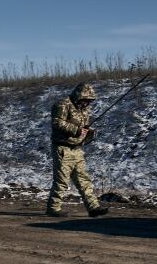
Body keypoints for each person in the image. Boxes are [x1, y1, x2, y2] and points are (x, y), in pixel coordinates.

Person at [46, 82, 109, 217]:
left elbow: (83, 127)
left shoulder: (84, 110)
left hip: (77, 149)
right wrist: (76, 130)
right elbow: (57, 123)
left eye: (89, 101)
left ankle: (93, 207)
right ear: (79, 96)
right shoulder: (62, 104)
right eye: (85, 100)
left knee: (83, 180)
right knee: (62, 181)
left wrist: (88, 132)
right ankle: (53, 208)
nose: (87, 103)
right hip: (63, 148)